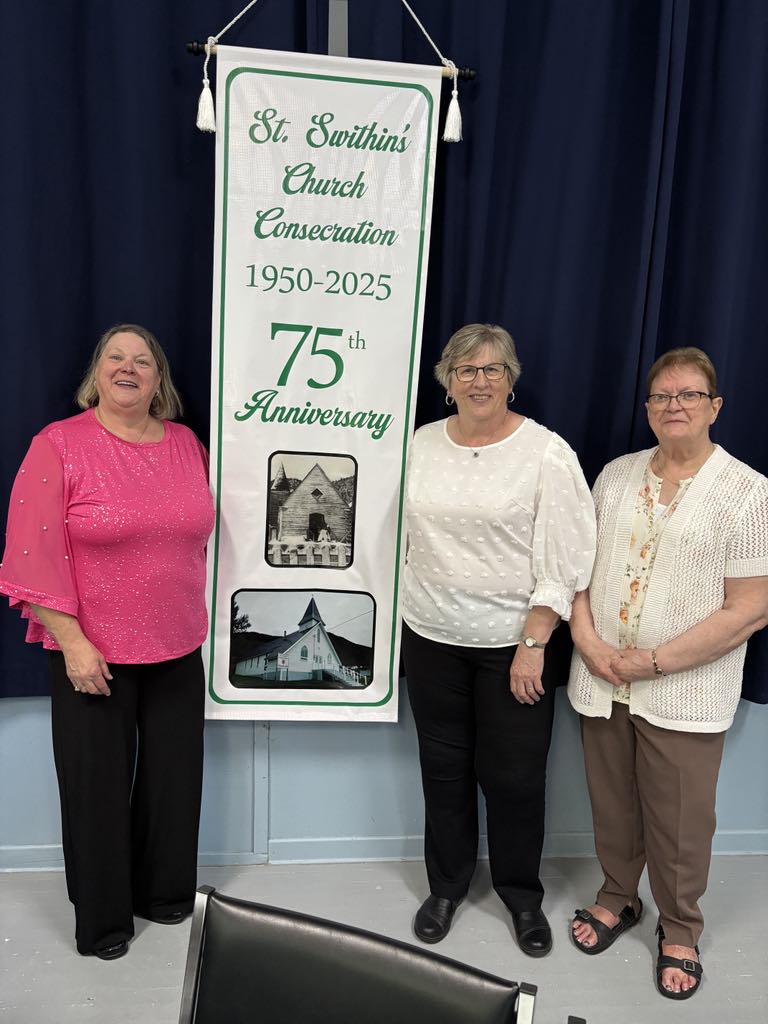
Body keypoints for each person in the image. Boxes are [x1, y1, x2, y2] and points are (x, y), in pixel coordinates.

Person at [0, 324, 215, 960]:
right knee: (95, 791)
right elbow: (29, 556)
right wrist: (71, 641)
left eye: (142, 360)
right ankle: (103, 922)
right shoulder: (59, 445)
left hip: (178, 643)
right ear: (96, 374)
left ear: (159, 378)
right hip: (94, 654)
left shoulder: (184, 444)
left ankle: (166, 894)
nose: (128, 369)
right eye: (115, 359)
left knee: (174, 784)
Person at [567, 347, 768, 999]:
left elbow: (750, 608)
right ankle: (618, 896)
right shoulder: (615, 476)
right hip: (600, 677)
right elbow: (576, 570)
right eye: (660, 396)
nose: (673, 406)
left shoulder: (746, 491)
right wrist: (589, 642)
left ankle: (679, 926)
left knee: (681, 821)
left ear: (715, 406)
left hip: (684, 688)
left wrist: (653, 661)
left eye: (688, 395)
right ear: (647, 408)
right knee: (613, 803)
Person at [400, 323, 595, 957]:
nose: (479, 381)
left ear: (511, 377)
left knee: (513, 779)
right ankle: (448, 886)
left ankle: (520, 895)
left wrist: (535, 642)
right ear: (446, 381)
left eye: (492, 369)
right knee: (444, 772)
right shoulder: (420, 444)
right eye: (466, 370)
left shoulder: (546, 454)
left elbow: (567, 557)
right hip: (430, 637)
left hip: (514, 647)